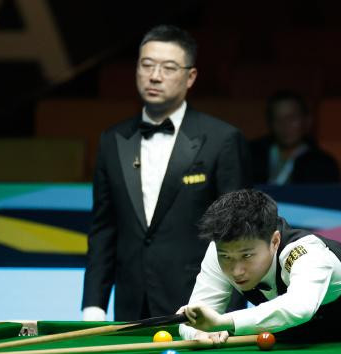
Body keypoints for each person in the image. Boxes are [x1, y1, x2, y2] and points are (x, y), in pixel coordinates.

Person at [82, 25, 251, 321]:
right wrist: (93, 306)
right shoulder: (113, 140)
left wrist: (230, 315)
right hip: (130, 308)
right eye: (147, 65)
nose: (155, 76)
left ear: (190, 77)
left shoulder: (222, 139)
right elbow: (103, 230)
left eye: (169, 68)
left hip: (201, 304)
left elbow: (237, 234)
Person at [178, 189, 341, 343]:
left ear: (274, 241)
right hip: (334, 326)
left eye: (247, 256)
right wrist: (198, 333)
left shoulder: (307, 254)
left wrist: (223, 322)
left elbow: (298, 307)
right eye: (226, 257)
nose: (236, 270)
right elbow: (196, 316)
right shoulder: (220, 250)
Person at [250, 90, 341, 184]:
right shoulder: (251, 156)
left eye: (291, 118)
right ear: (270, 123)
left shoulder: (323, 164)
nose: (285, 125)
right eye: (277, 119)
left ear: (307, 121)